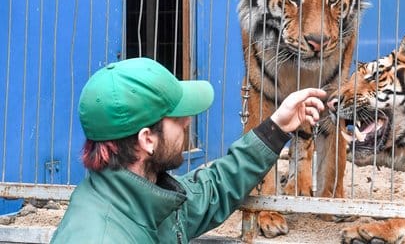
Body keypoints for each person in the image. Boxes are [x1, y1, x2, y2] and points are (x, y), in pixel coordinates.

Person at [50, 57, 326, 243]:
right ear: (147, 139)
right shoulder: (99, 235)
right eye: (177, 117)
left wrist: (277, 127)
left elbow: (213, 189)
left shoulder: (141, 198)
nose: (187, 121)